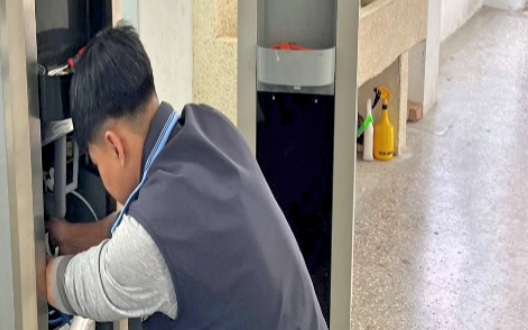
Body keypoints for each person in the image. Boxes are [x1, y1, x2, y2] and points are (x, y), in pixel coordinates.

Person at [46, 23, 327, 329]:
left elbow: (72, 285)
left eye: (96, 162)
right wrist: (68, 236)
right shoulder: (211, 130)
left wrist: (32, 262)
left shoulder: (152, 236)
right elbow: (142, 227)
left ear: (115, 146)